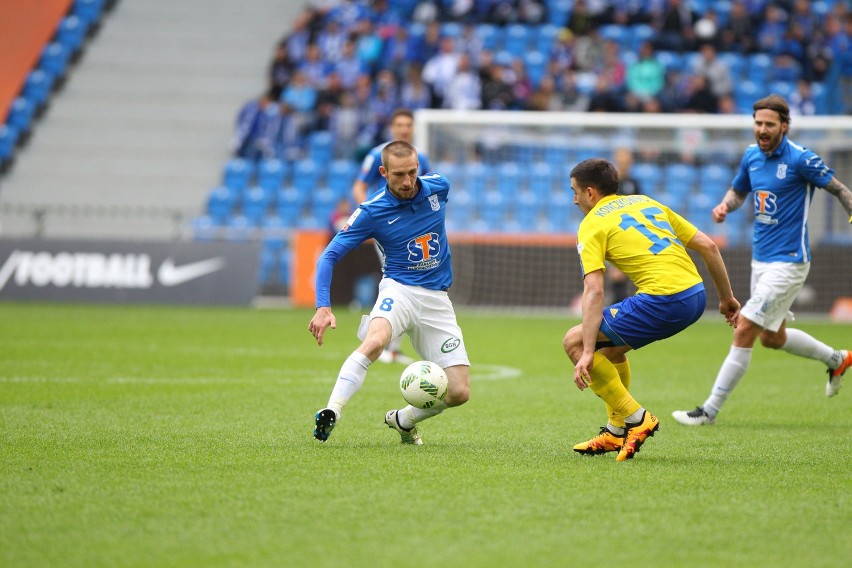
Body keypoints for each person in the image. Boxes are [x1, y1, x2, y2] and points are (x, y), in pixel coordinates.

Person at [673, 94, 852, 427]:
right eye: (758, 123)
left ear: (784, 126)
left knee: (744, 330)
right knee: (772, 338)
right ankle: (837, 359)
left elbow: (841, 190)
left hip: (789, 261)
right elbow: (739, 191)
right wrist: (726, 206)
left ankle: (708, 411)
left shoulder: (801, 159)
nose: (762, 129)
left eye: (769, 124)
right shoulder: (752, 157)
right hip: (761, 260)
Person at [563, 158, 740, 461]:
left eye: (575, 192)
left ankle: (636, 418)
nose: (574, 199)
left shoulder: (591, 224)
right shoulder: (645, 202)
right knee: (613, 353)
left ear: (591, 193)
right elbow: (709, 246)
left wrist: (587, 350)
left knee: (574, 341)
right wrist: (726, 299)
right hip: (695, 295)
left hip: (665, 299)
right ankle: (615, 431)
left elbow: (594, 290)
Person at [309, 141, 470, 445]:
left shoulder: (439, 187)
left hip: (437, 299)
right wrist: (323, 306)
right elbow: (328, 256)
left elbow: (432, 183)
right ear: (383, 172)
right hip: (399, 290)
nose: (408, 181)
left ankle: (403, 420)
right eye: (399, 175)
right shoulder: (371, 211)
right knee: (375, 341)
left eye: (412, 172)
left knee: (460, 392)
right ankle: (332, 409)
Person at [352, 108, 432, 364]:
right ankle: (382, 342)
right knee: (397, 277)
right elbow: (359, 185)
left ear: (413, 128)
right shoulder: (378, 154)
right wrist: (372, 217)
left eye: (408, 125)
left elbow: (429, 191)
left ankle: (386, 343)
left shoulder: (421, 158)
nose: (404, 129)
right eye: (399, 124)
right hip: (390, 227)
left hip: (415, 228)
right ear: (392, 128)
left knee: (403, 279)